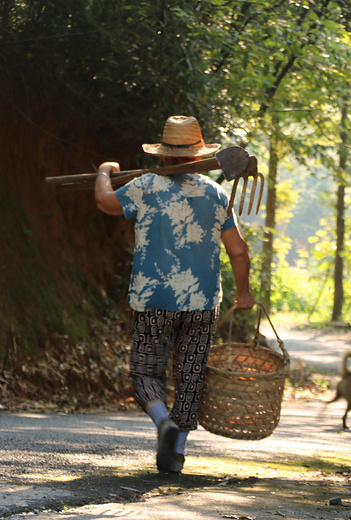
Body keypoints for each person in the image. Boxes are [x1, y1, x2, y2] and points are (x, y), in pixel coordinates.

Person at [94, 115, 255, 474]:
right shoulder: (215, 194)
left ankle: (162, 421)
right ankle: (177, 451)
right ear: (199, 154)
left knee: (145, 373)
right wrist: (243, 294)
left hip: (155, 300)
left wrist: (105, 171)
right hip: (202, 302)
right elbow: (239, 251)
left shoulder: (146, 185)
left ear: (164, 155)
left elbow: (105, 203)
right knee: (191, 375)